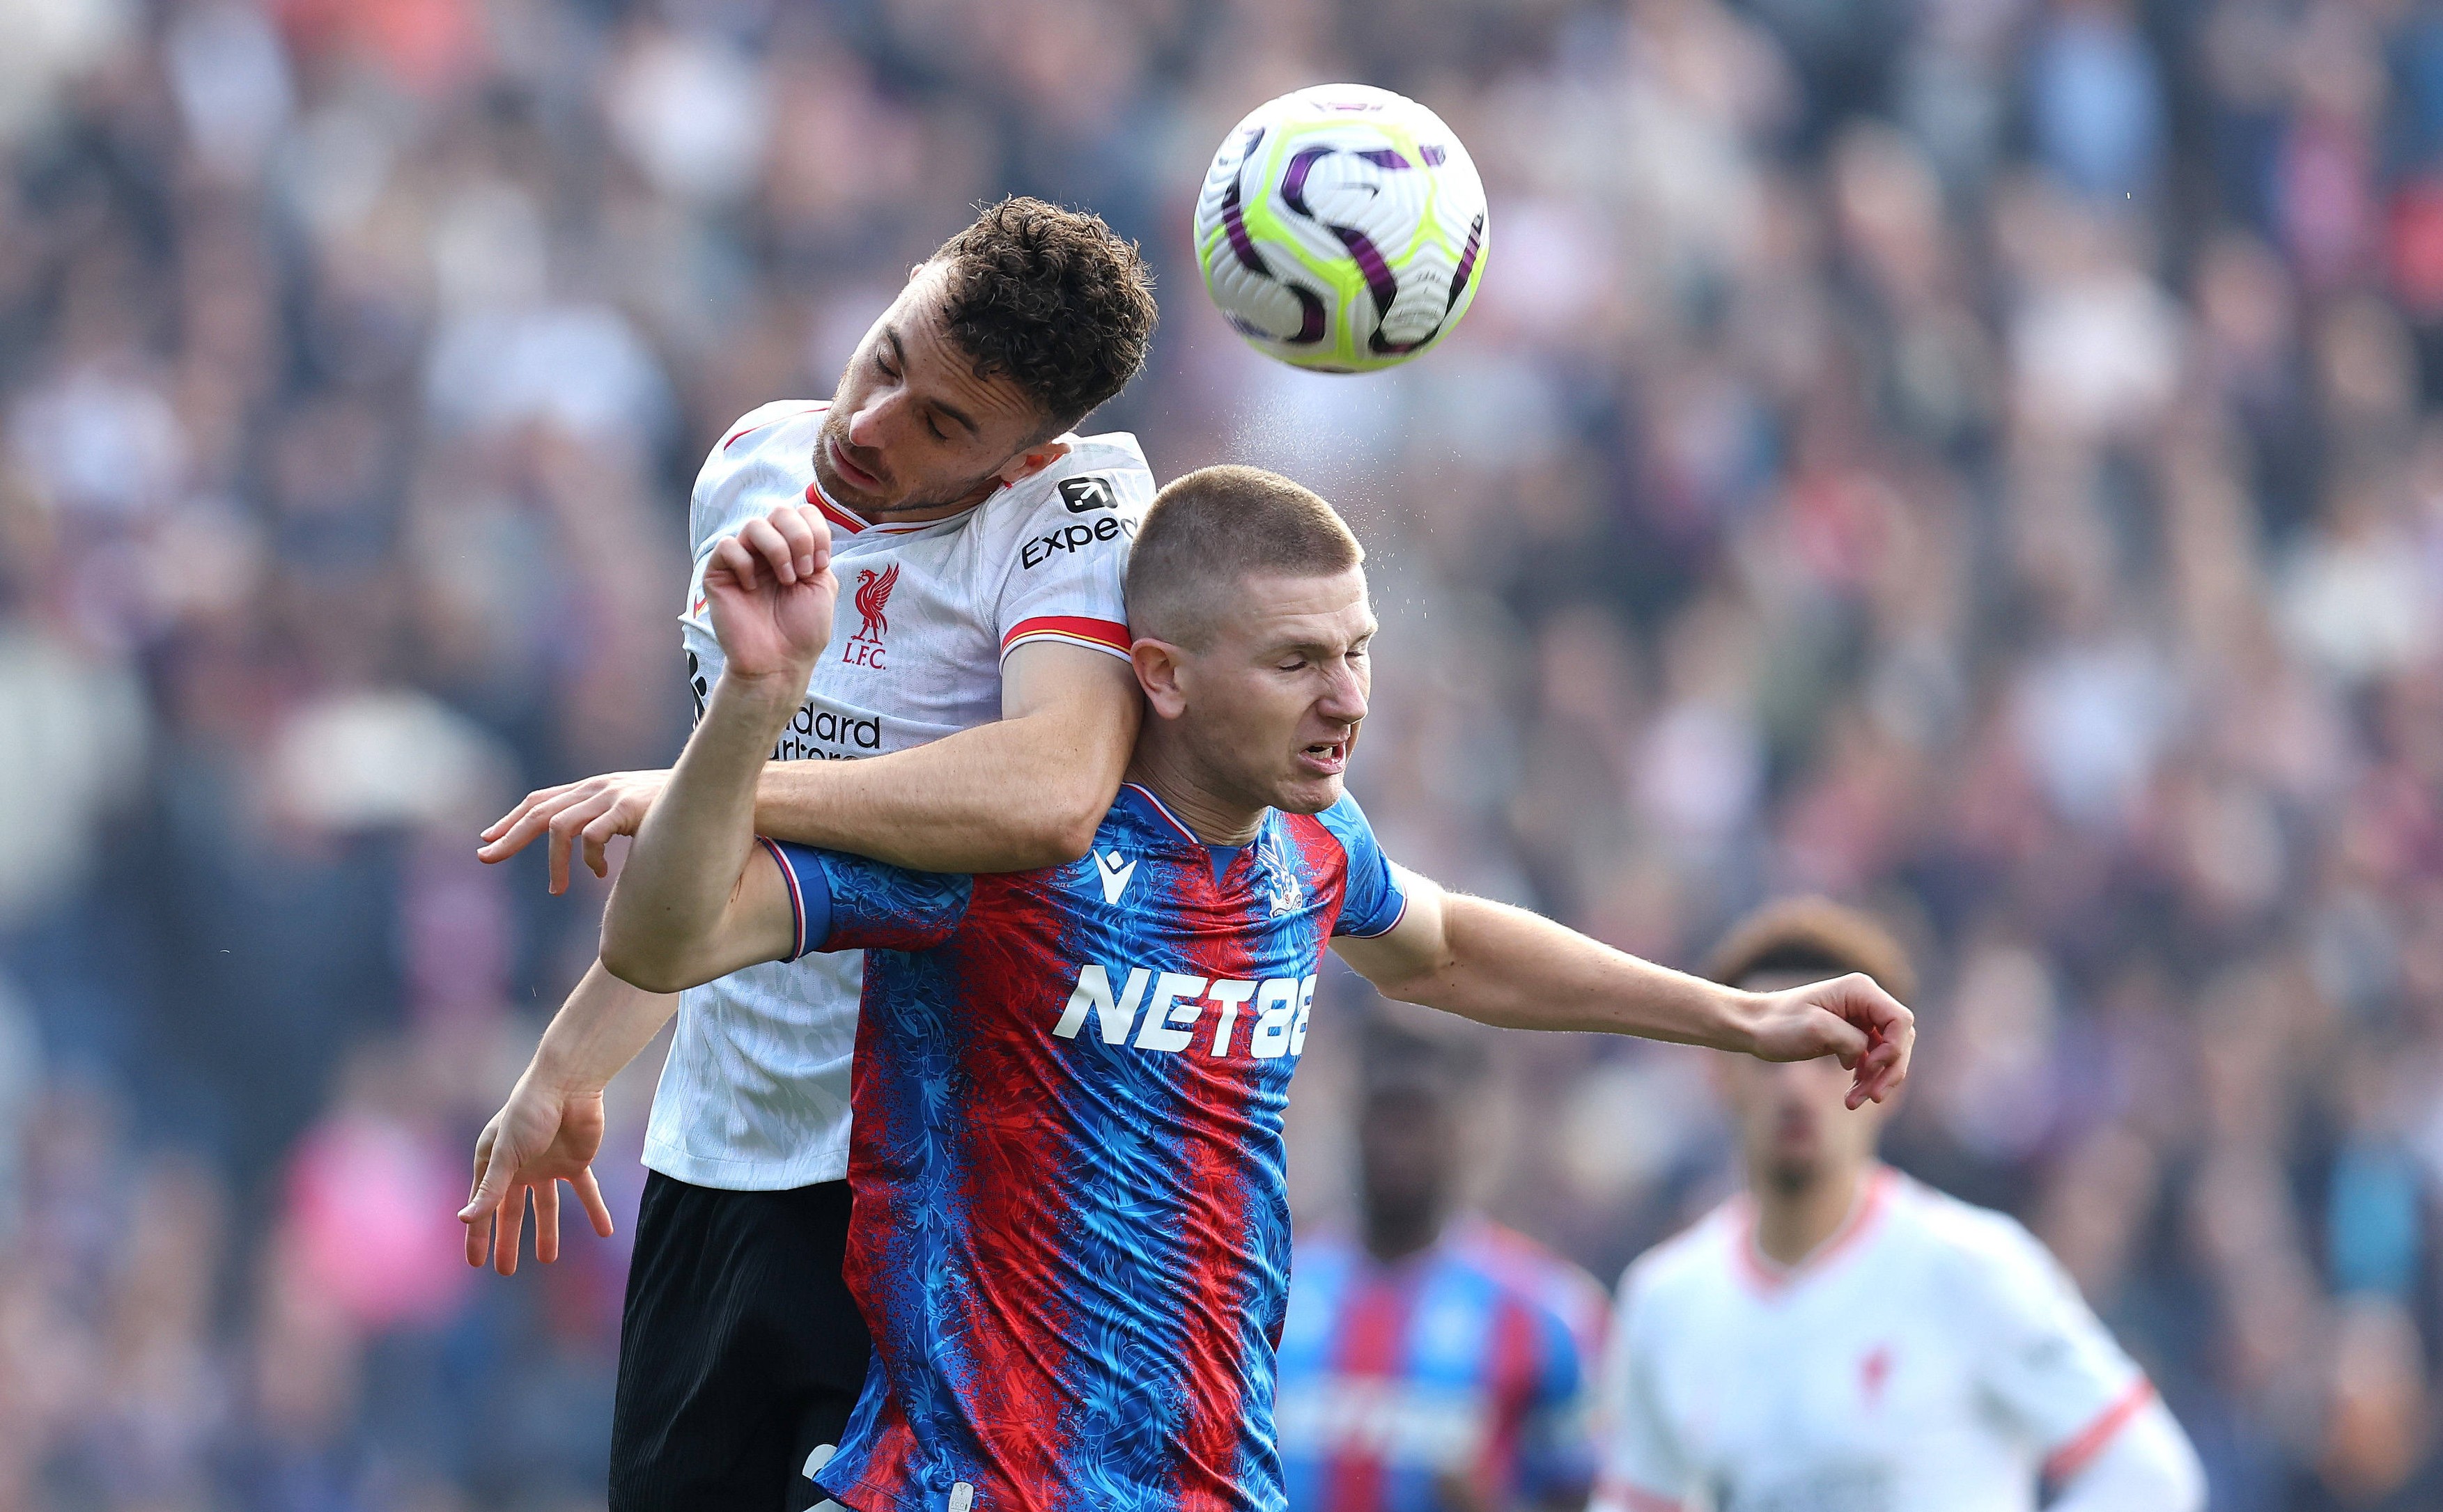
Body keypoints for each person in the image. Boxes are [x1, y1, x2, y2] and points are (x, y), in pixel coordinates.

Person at [596, 463, 1917, 1512]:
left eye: (1357, 650)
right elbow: (665, 943)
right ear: (1161, 674)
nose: (1345, 699)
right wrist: (753, 709)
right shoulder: (1004, 846)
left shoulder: (1310, 843)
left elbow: (1448, 945)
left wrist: (1737, 1016)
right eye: (1295, 661)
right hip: (966, 1486)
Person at [455, 197, 1160, 1512]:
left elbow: (1054, 790)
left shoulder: (1077, 516)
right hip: (718, 1154)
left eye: (945, 423)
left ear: (1027, 455)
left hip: (933, 1186)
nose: (874, 423)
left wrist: (706, 787)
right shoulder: (748, 469)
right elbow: (725, 860)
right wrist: (571, 1060)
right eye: (887, 358)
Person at [1589, 900, 2208, 1512]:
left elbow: (2147, 1474)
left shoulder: (1973, 1268)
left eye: (1828, 1052)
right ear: (1716, 1074)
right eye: (1770, 1052)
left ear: (1887, 1074)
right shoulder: (1666, 1301)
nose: (1795, 1084)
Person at [1274, 1024, 1609, 1512]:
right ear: (1353, 1122)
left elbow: (1583, 1493)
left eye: (1420, 1118)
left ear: (1464, 1132)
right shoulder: (1269, 1291)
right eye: (1384, 1115)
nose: (1397, 1143)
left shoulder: (1548, 1309)